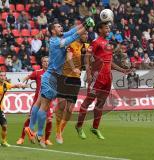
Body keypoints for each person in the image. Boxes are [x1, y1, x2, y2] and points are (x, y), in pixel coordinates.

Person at [25, 18, 95, 148]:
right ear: (53, 31)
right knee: (44, 106)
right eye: (58, 27)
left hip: (51, 76)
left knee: (39, 102)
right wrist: (85, 28)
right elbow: (74, 36)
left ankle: (30, 128)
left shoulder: (59, 37)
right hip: (52, 77)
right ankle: (39, 134)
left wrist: (85, 24)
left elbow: (72, 31)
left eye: (60, 26)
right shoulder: (57, 42)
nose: (61, 28)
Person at [75, 21, 131, 140]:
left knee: (100, 103)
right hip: (97, 77)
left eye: (109, 27)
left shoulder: (108, 44)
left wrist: (123, 70)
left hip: (107, 78)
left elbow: (109, 63)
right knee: (88, 102)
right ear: (100, 30)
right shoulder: (95, 42)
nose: (108, 29)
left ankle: (95, 128)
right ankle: (79, 126)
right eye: (106, 27)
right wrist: (89, 74)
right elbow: (87, 57)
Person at [54, 31, 89, 144]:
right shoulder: (72, 44)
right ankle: (58, 130)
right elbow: (69, 58)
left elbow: (91, 59)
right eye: (85, 34)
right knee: (62, 105)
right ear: (79, 35)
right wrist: (73, 68)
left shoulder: (87, 46)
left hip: (76, 80)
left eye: (87, 34)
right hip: (64, 77)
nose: (86, 36)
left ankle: (60, 131)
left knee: (70, 109)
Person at [16, 56, 53, 146]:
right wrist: (22, 82)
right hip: (37, 101)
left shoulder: (53, 73)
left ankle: (46, 139)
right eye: (44, 61)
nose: (46, 63)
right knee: (30, 119)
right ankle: (21, 138)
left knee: (49, 120)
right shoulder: (37, 72)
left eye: (48, 61)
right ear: (42, 63)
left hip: (48, 101)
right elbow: (27, 77)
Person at [0, 71, 28, 147]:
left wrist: (22, 85)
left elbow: (14, 85)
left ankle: (4, 141)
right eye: (1, 75)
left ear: (5, 77)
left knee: (4, 126)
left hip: (0, 110)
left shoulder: (5, 85)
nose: (2, 77)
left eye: (3, 76)